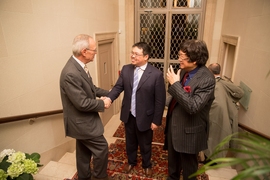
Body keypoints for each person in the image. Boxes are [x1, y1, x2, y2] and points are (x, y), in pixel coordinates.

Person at [107, 42, 166, 178]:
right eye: (131, 53)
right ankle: (131, 161)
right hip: (129, 114)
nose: (132, 56)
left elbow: (160, 100)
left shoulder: (156, 74)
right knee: (130, 141)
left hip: (146, 116)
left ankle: (147, 165)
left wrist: (156, 120)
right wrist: (109, 99)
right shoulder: (126, 69)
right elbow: (117, 87)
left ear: (146, 56)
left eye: (136, 54)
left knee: (145, 144)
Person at [60, 34, 112, 180]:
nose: (95, 53)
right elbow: (81, 103)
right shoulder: (71, 73)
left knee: (83, 153)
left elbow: (91, 89)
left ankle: (84, 177)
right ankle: (100, 178)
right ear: (84, 51)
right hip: (82, 124)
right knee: (101, 149)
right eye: (94, 50)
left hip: (81, 123)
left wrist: (111, 93)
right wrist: (103, 103)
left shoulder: (79, 67)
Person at [165, 39, 215, 180]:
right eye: (179, 54)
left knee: (189, 172)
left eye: (182, 57)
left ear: (195, 60)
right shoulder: (184, 71)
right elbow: (177, 96)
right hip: (174, 126)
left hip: (190, 133)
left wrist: (175, 84)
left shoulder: (207, 79)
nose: (179, 59)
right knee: (173, 166)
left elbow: (193, 106)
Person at [203, 63, 244, 160]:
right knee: (218, 138)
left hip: (214, 115)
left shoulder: (211, 83)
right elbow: (240, 92)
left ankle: (210, 159)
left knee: (211, 137)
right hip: (223, 116)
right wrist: (231, 99)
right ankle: (212, 159)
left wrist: (230, 99)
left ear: (209, 71)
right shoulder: (224, 83)